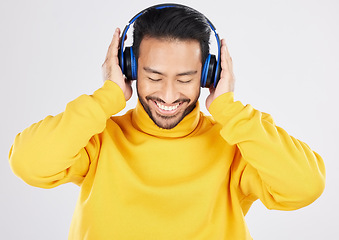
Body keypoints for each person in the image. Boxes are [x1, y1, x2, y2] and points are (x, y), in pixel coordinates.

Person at [9, 4, 325, 240]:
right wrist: (107, 96)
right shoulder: (100, 137)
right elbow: (29, 162)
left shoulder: (238, 140)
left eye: (185, 78)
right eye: (154, 76)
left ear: (208, 75)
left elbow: (304, 187)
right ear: (129, 69)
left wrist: (228, 108)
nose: (169, 95)